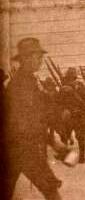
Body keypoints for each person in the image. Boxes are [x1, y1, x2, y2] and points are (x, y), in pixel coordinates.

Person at [2, 38, 63, 200]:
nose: (41, 60)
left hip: (20, 149)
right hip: (21, 148)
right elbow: (25, 122)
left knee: (50, 190)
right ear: (26, 58)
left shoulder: (29, 81)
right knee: (51, 191)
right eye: (38, 56)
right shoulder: (20, 85)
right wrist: (52, 142)